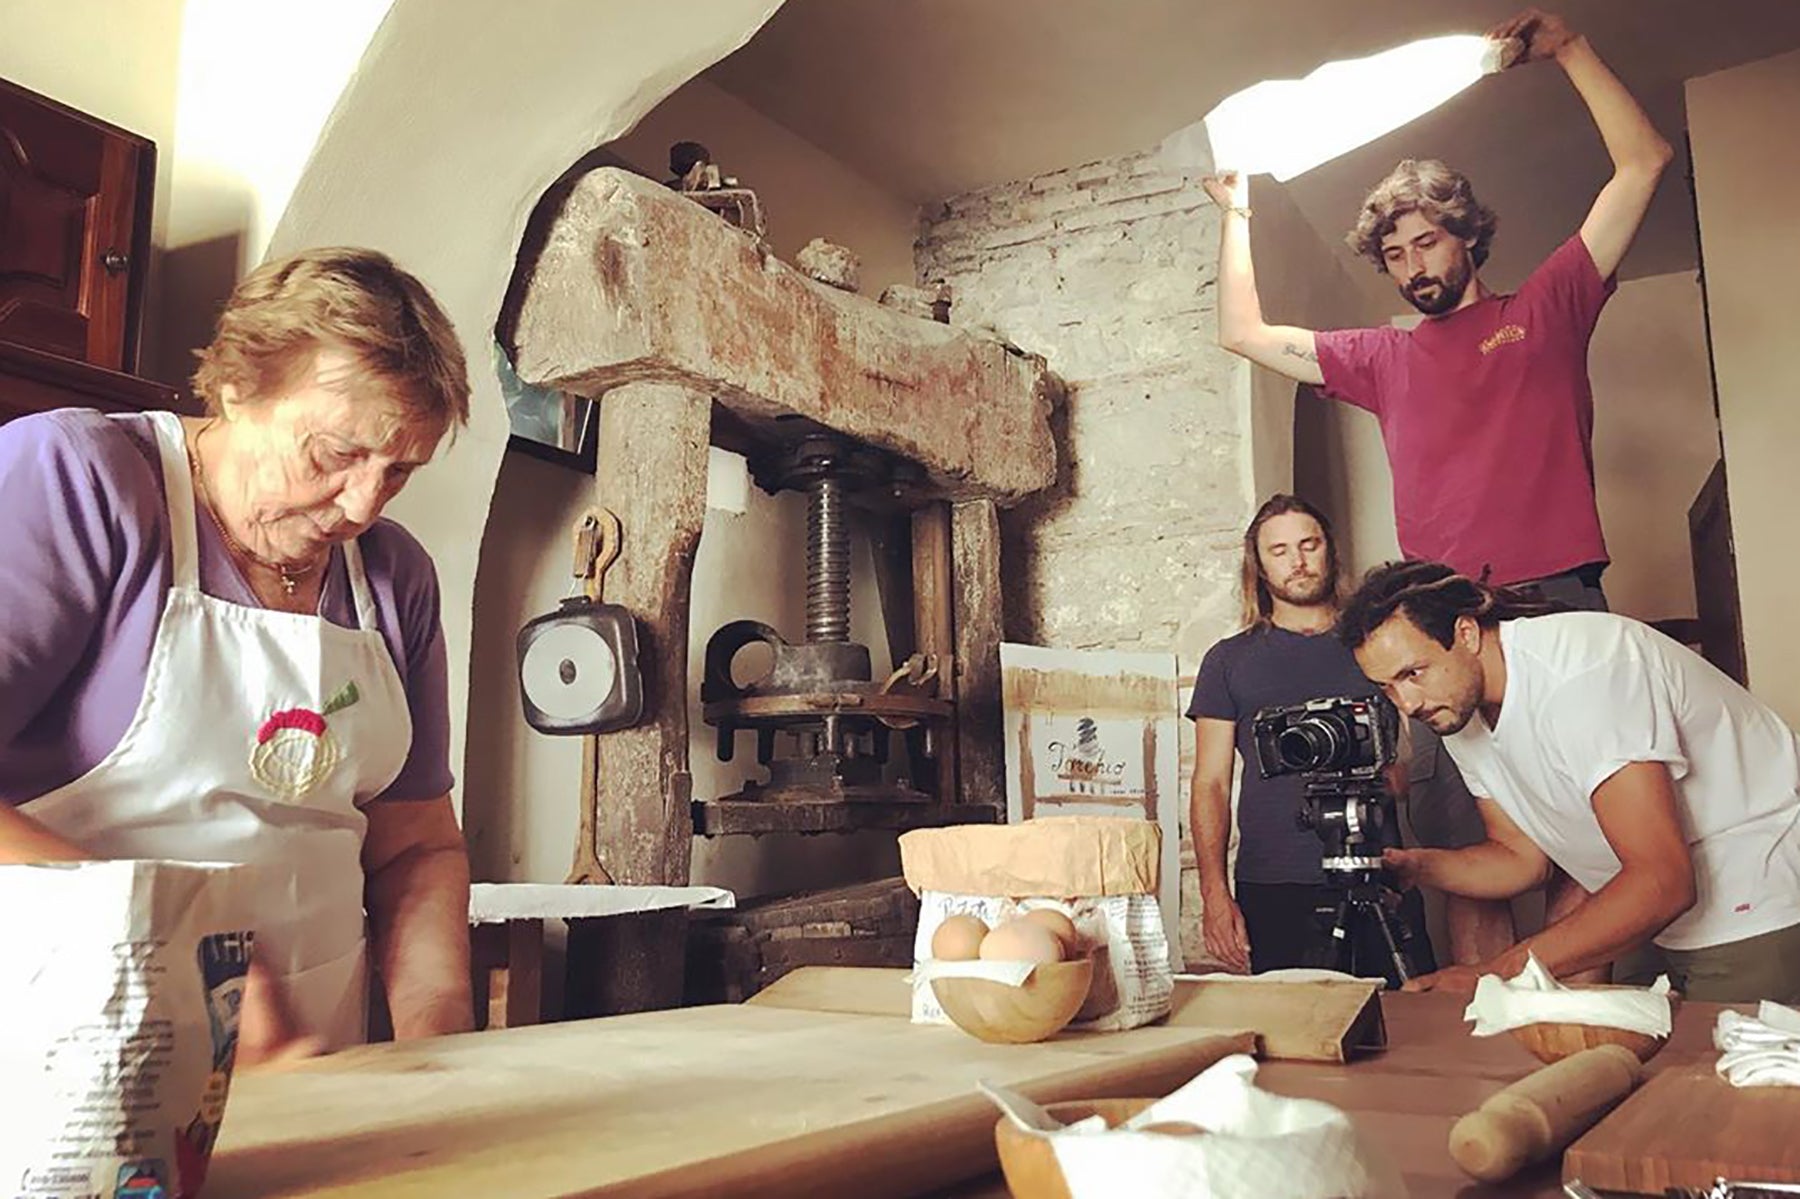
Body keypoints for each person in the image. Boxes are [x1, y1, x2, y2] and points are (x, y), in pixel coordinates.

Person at [0, 247, 476, 1059]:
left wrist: (437, 1054)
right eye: (334, 455)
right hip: (70, 1061)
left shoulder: (395, 579)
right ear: (235, 386)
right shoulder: (80, 482)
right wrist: (178, 949)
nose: (363, 504)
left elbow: (417, 846)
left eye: (399, 472)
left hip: (313, 1073)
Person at [1202, 8, 1674, 609]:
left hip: (1556, 590)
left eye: (1426, 244)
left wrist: (1571, 48)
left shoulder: (1545, 309)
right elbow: (1243, 333)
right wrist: (1235, 213)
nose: (1412, 268)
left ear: (1468, 236)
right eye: (1395, 255)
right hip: (1443, 609)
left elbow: (1644, 163)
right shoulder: (1381, 358)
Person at [1340, 560, 1800, 1003]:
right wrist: (1416, 867)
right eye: (1387, 687)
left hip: (1752, 899)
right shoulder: (1455, 703)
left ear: (1466, 634)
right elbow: (1521, 859)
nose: (1407, 703)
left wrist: (1493, 975)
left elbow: (1664, 880)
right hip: (1658, 917)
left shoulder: (1584, 672)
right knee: (1618, 1067)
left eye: (1411, 673)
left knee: (1707, 1080)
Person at [1188, 494, 1465, 983]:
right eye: (1279, 551)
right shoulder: (1228, 661)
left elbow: (1411, 752)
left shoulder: (1375, 646)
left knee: (1412, 1022)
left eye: (1308, 544)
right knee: (1293, 1036)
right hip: (1273, 881)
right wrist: (1214, 894)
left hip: (1380, 867)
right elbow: (1210, 782)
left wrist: (1391, 780)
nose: (1297, 561)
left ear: (1329, 550)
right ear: (1259, 566)